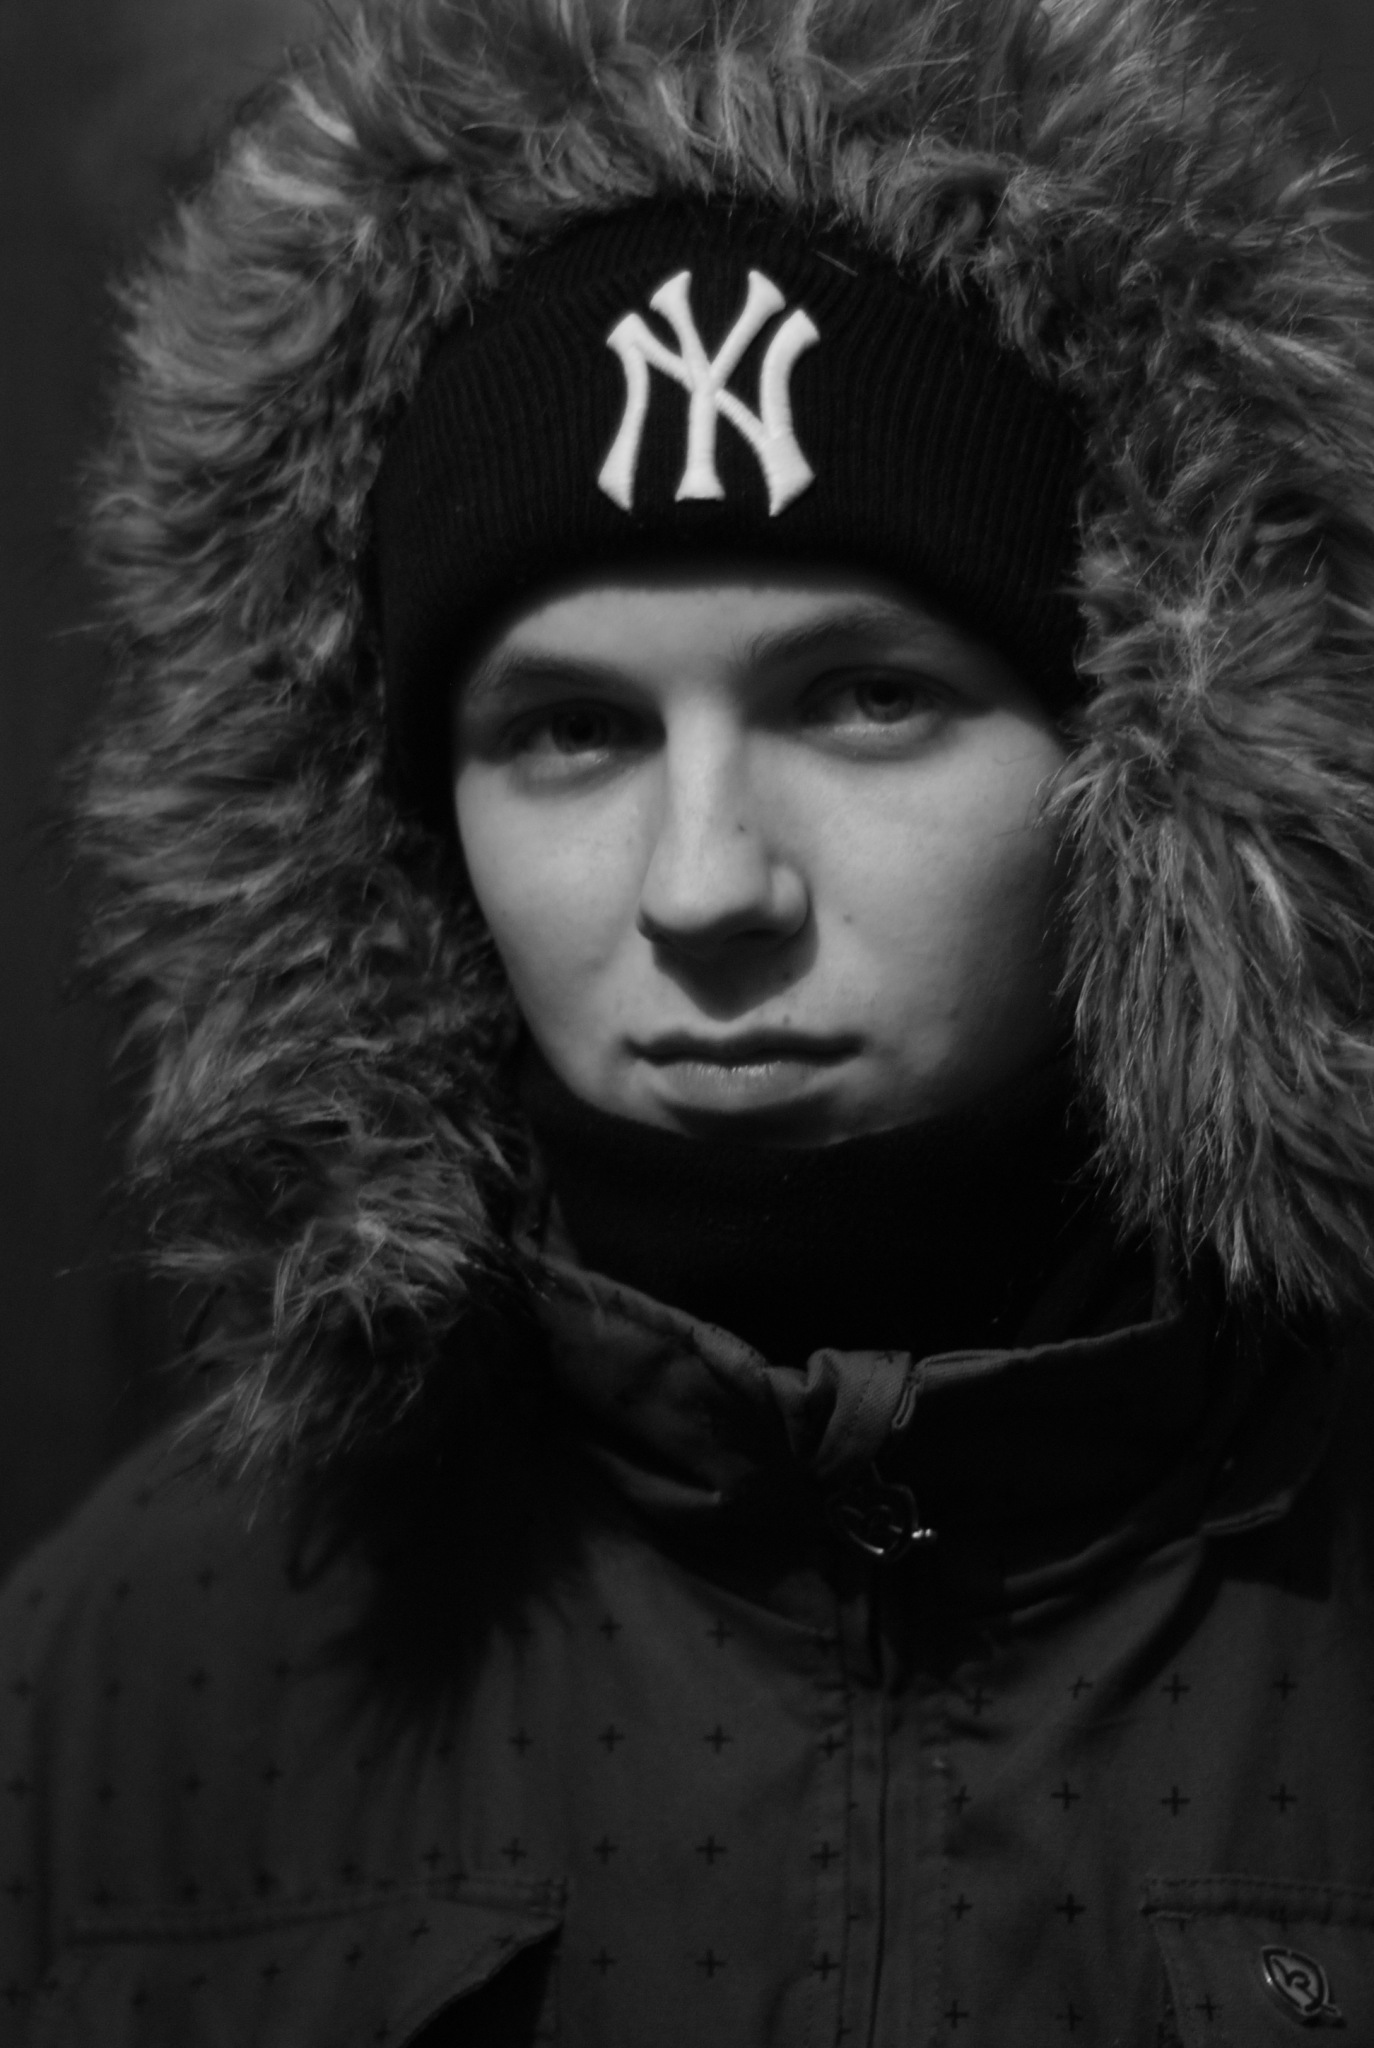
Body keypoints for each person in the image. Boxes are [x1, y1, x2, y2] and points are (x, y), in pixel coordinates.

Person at [4, 0, 1374, 2040]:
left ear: (1162, 766)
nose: (707, 885)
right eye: (570, 730)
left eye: (866, 697)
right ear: (394, 832)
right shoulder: (124, 1681)